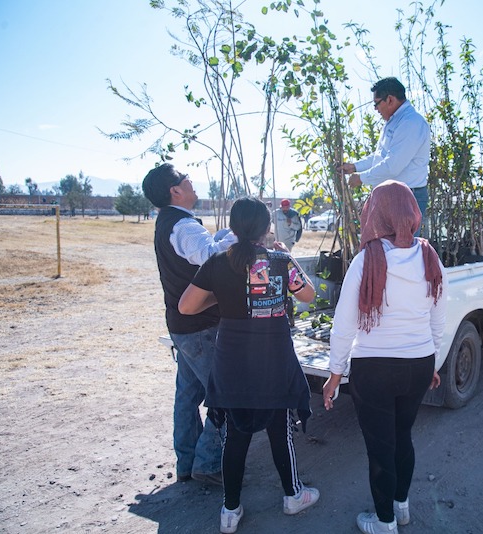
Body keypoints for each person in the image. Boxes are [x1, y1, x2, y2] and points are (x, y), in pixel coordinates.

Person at [179, 196, 319, 534]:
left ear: (232, 226)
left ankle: (230, 511)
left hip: (232, 361)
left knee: (235, 435)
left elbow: (186, 306)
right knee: (279, 429)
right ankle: (292, 495)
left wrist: (221, 296)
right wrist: (285, 260)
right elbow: (309, 295)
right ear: (267, 228)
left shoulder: (216, 262)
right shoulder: (281, 261)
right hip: (273, 359)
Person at [322, 181, 447, 534]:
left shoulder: (367, 259)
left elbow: (344, 324)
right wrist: (433, 361)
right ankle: (401, 507)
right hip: (419, 364)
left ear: (374, 213)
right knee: (402, 436)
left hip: (373, 369)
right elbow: (439, 315)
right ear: (411, 211)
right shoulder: (429, 256)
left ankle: (384, 523)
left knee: (380, 446)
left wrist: (334, 375)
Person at [142, 164, 238, 486]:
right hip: (202, 326)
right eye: (187, 178)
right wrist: (242, 235)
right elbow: (211, 255)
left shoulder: (169, 223)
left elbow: (205, 246)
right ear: (175, 190)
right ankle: (209, 463)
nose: (192, 182)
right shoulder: (182, 224)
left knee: (188, 393)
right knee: (227, 393)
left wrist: (224, 236)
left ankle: (186, 462)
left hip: (182, 324)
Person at [337, 77, 431, 235]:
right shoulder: (395, 121)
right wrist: (354, 167)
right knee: (389, 251)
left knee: (401, 254)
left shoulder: (411, 123)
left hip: (406, 198)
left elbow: (392, 166)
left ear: (390, 100)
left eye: (376, 103)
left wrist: (361, 178)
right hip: (393, 196)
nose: (375, 109)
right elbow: (381, 156)